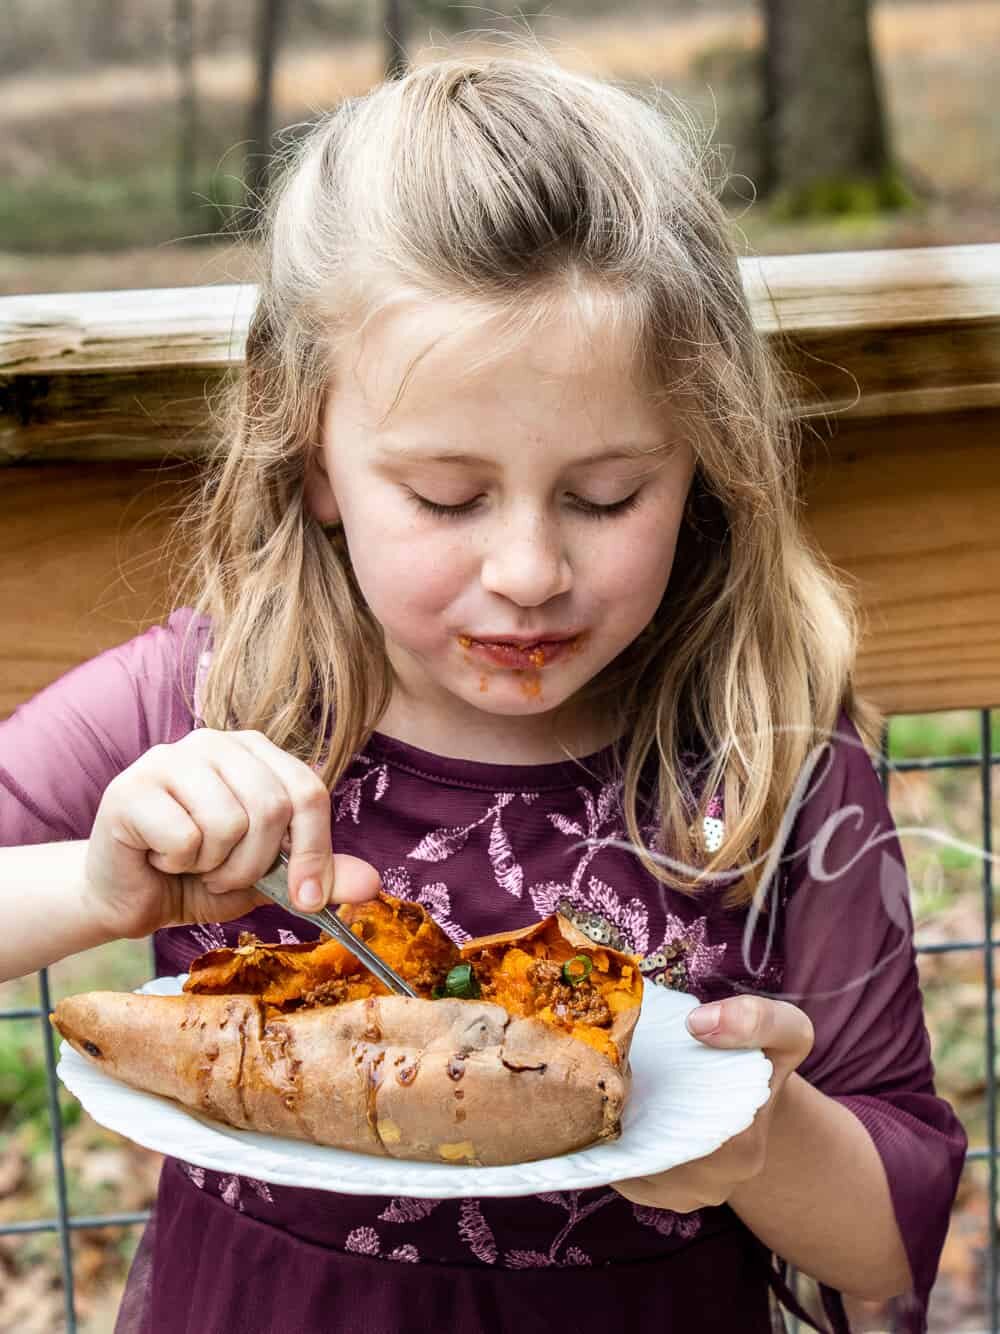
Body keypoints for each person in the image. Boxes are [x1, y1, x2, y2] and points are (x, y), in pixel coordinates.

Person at [0, 49, 966, 1334]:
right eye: (447, 497)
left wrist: (762, 1136)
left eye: (607, 493)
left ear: (705, 457)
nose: (528, 572)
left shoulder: (766, 753)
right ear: (313, 456)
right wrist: (96, 889)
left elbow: (894, 1232)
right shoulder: (211, 697)